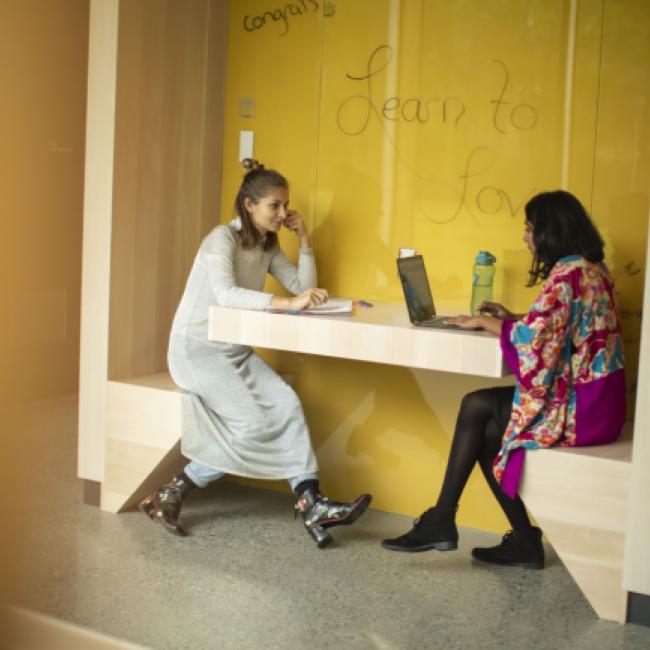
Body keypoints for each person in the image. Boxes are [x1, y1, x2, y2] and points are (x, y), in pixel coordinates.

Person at [382, 190, 626, 569]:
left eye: (530, 230)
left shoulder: (567, 275)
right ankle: (521, 541)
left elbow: (539, 346)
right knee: (488, 432)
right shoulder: (592, 268)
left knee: (475, 406)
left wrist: (489, 322)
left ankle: (442, 519)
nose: (526, 238)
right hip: (601, 402)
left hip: (582, 411)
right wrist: (510, 317)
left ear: (550, 233)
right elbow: (556, 331)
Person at [139, 159, 372, 548]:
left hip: (234, 349)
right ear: (249, 205)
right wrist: (288, 302)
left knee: (287, 404)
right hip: (195, 351)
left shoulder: (267, 243)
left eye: (285, 206)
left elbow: (304, 289)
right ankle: (173, 491)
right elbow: (227, 295)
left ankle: (311, 501)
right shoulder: (221, 240)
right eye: (274, 206)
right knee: (255, 424)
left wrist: (306, 243)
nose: (283, 214)